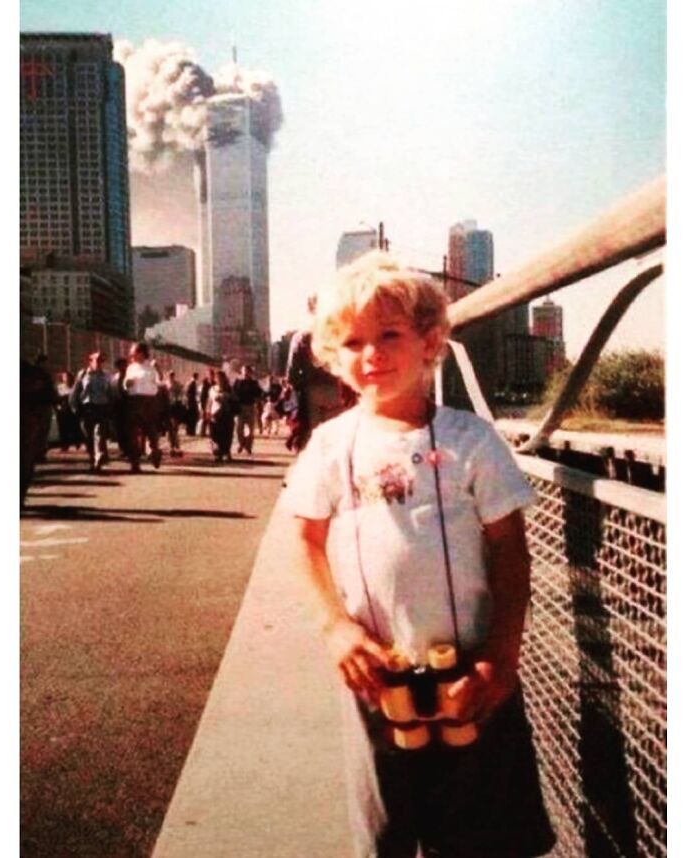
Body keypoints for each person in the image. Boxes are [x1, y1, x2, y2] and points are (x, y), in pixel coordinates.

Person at [281, 252, 555, 858]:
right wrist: (335, 629)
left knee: (484, 829)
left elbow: (510, 551)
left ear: (431, 341)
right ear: (332, 356)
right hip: (377, 673)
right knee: (387, 829)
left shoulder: (470, 440)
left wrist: (501, 656)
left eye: (389, 335)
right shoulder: (329, 446)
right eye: (351, 342)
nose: (370, 353)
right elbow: (305, 539)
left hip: (472, 669)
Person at [286, 297, 355, 451]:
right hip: (336, 389)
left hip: (311, 391)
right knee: (336, 434)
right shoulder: (337, 333)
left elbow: (292, 370)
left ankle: (317, 469)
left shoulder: (301, 336)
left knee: (314, 436)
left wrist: (297, 384)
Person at [20, 357, 58, 503]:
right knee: (25, 460)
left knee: (25, 460)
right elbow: (52, 397)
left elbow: (50, 396)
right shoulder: (36, 373)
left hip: (28, 421)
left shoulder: (34, 373)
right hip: (30, 421)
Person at [70, 351, 113, 473]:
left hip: (101, 407)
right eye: (96, 360)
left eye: (101, 361)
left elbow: (110, 393)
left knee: (99, 433)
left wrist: (111, 408)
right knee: (88, 437)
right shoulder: (83, 374)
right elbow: (75, 391)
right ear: (90, 361)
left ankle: (98, 458)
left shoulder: (106, 376)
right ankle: (92, 460)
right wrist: (74, 407)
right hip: (87, 409)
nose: (99, 363)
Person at [123, 342, 163, 474]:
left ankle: (154, 453)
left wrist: (158, 369)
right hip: (134, 401)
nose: (131, 355)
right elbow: (126, 383)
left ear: (141, 353)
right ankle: (135, 463)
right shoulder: (131, 367)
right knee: (134, 434)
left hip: (149, 401)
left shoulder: (151, 367)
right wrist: (127, 384)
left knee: (151, 431)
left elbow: (160, 381)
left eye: (134, 352)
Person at [207, 370, 238, 462]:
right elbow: (209, 402)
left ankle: (226, 452)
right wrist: (207, 412)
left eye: (221, 378)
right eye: (218, 378)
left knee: (227, 434)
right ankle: (218, 453)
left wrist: (226, 396)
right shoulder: (212, 389)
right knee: (215, 435)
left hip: (227, 415)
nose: (219, 380)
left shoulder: (230, 389)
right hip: (215, 415)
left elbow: (235, 399)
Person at [233, 365, 263, 455]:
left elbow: (259, 394)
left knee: (251, 430)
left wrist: (259, 405)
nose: (246, 373)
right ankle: (241, 443)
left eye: (247, 371)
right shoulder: (237, 382)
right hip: (240, 408)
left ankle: (248, 446)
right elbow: (233, 394)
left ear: (250, 373)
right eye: (244, 371)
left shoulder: (254, 383)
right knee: (239, 429)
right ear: (241, 372)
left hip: (250, 407)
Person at [55, 370, 83, 451]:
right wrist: (57, 407)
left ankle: (77, 444)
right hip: (63, 410)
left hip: (73, 409)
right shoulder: (59, 387)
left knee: (75, 427)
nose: (66, 379)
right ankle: (64, 445)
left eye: (67, 377)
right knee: (63, 428)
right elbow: (56, 398)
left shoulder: (75, 387)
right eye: (64, 377)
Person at [110, 357, 131, 458]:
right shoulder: (114, 377)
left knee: (128, 429)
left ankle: (130, 449)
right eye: (119, 366)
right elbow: (111, 391)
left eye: (123, 365)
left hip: (128, 406)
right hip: (117, 406)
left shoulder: (130, 377)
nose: (122, 367)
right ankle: (123, 449)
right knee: (119, 430)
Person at [165, 370, 185, 457]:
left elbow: (181, 395)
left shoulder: (177, 384)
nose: (171, 377)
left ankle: (175, 446)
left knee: (174, 428)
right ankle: (172, 446)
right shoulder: (165, 384)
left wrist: (178, 399)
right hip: (168, 407)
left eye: (172, 375)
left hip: (175, 407)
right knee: (170, 428)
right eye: (170, 375)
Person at [185, 372, 200, 436]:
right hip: (192, 403)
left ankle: (189, 431)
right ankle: (191, 431)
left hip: (189, 402)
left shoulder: (189, 382)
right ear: (196, 376)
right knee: (193, 417)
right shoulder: (193, 383)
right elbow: (192, 394)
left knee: (190, 417)